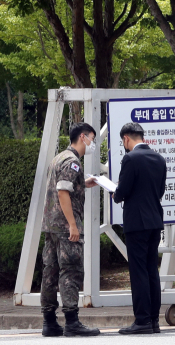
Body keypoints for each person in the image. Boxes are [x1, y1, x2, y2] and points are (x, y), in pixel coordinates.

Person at [40, 123, 101, 337]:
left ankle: (49, 322)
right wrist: (73, 225)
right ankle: (72, 322)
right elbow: (63, 192)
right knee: (71, 271)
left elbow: (64, 185)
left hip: (51, 226)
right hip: (66, 228)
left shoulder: (59, 158)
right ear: (82, 137)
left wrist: (84, 183)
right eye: (92, 138)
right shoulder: (73, 161)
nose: (92, 143)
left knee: (50, 272)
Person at [113, 122, 167, 335]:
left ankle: (142, 319)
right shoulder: (159, 159)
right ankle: (154, 320)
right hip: (155, 220)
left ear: (126, 138)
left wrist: (115, 194)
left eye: (123, 142)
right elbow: (160, 190)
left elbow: (122, 191)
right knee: (152, 269)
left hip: (136, 222)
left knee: (138, 272)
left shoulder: (130, 159)